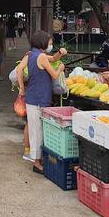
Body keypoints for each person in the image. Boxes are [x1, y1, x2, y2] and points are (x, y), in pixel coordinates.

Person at [16, 30, 67, 173]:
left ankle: (37, 159)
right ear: (43, 42)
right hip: (39, 98)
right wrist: (61, 68)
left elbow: (20, 69)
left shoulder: (30, 54)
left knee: (34, 129)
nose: (50, 44)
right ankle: (37, 163)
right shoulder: (42, 56)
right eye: (49, 42)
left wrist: (21, 88)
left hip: (31, 97)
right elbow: (55, 76)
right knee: (38, 131)